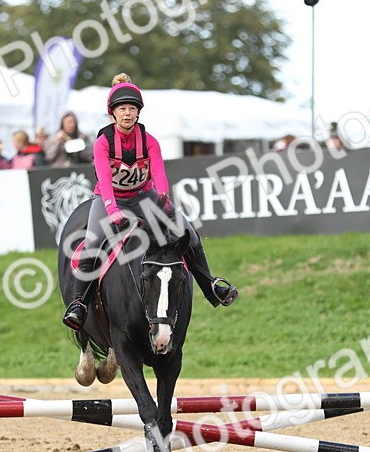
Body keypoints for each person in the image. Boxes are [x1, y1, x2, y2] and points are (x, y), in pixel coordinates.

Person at [62, 73, 238, 331]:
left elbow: (159, 175)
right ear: (113, 112)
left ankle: (211, 287)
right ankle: (80, 304)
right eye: (122, 109)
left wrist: (163, 199)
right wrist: (111, 209)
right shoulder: (102, 143)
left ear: (138, 112)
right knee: (93, 243)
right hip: (110, 199)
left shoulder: (150, 141)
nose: (127, 114)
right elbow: (105, 179)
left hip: (144, 196)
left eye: (132, 109)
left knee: (189, 233)